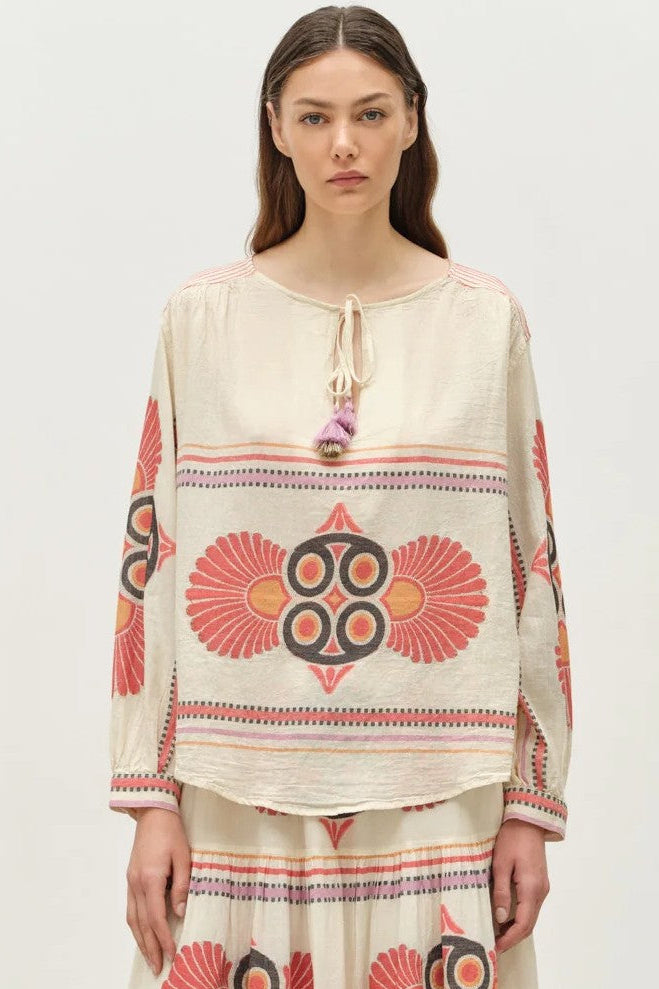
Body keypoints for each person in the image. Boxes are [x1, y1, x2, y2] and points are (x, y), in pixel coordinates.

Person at [108, 6, 573, 988]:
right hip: (237, 796)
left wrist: (529, 804)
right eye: (314, 117)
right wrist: (152, 797)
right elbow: (152, 559)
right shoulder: (201, 320)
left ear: (410, 120)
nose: (344, 144)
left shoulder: (482, 322)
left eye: (369, 113)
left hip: (440, 799)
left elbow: (530, 564)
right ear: (275, 128)